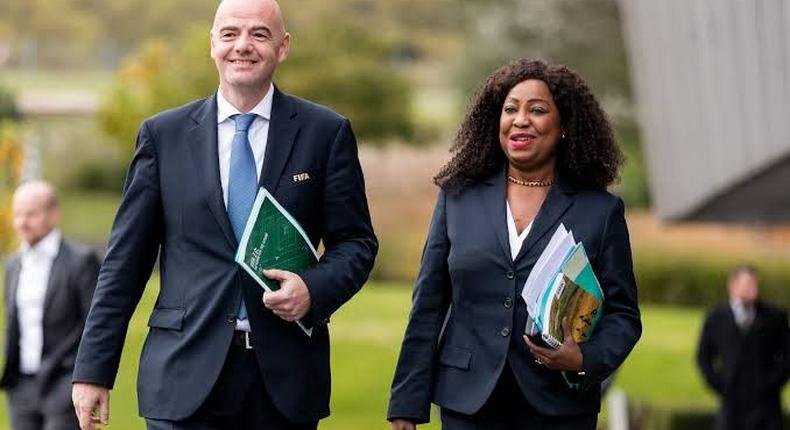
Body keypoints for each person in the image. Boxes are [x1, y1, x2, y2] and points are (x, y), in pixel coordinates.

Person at [70, 0, 378, 428]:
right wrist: (92, 371)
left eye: (259, 34)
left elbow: (357, 244)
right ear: (212, 43)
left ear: (283, 47)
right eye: (230, 34)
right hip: (182, 377)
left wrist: (313, 288)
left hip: (284, 383)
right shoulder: (164, 136)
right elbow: (125, 262)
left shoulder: (325, 133)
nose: (243, 46)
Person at [387, 58, 642, 430]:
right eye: (510, 109)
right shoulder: (458, 198)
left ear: (564, 126)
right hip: (467, 404)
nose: (520, 119)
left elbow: (624, 315)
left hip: (559, 408)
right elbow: (428, 304)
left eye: (537, 110)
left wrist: (584, 357)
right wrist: (406, 404)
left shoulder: (600, 212)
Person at [1, 181, 101, 430]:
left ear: (54, 214)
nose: (22, 222)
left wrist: (87, 378)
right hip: (21, 387)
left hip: (63, 384)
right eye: (17, 214)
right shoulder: (13, 265)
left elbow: (96, 326)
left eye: (31, 214)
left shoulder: (81, 262)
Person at [697, 265, 789, 430]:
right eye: (747, 284)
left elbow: (787, 355)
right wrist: (719, 384)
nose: (752, 289)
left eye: (755, 284)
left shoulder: (775, 317)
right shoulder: (716, 317)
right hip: (731, 404)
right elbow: (703, 356)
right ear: (732, 285)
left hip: (766, 407)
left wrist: (772, 383)